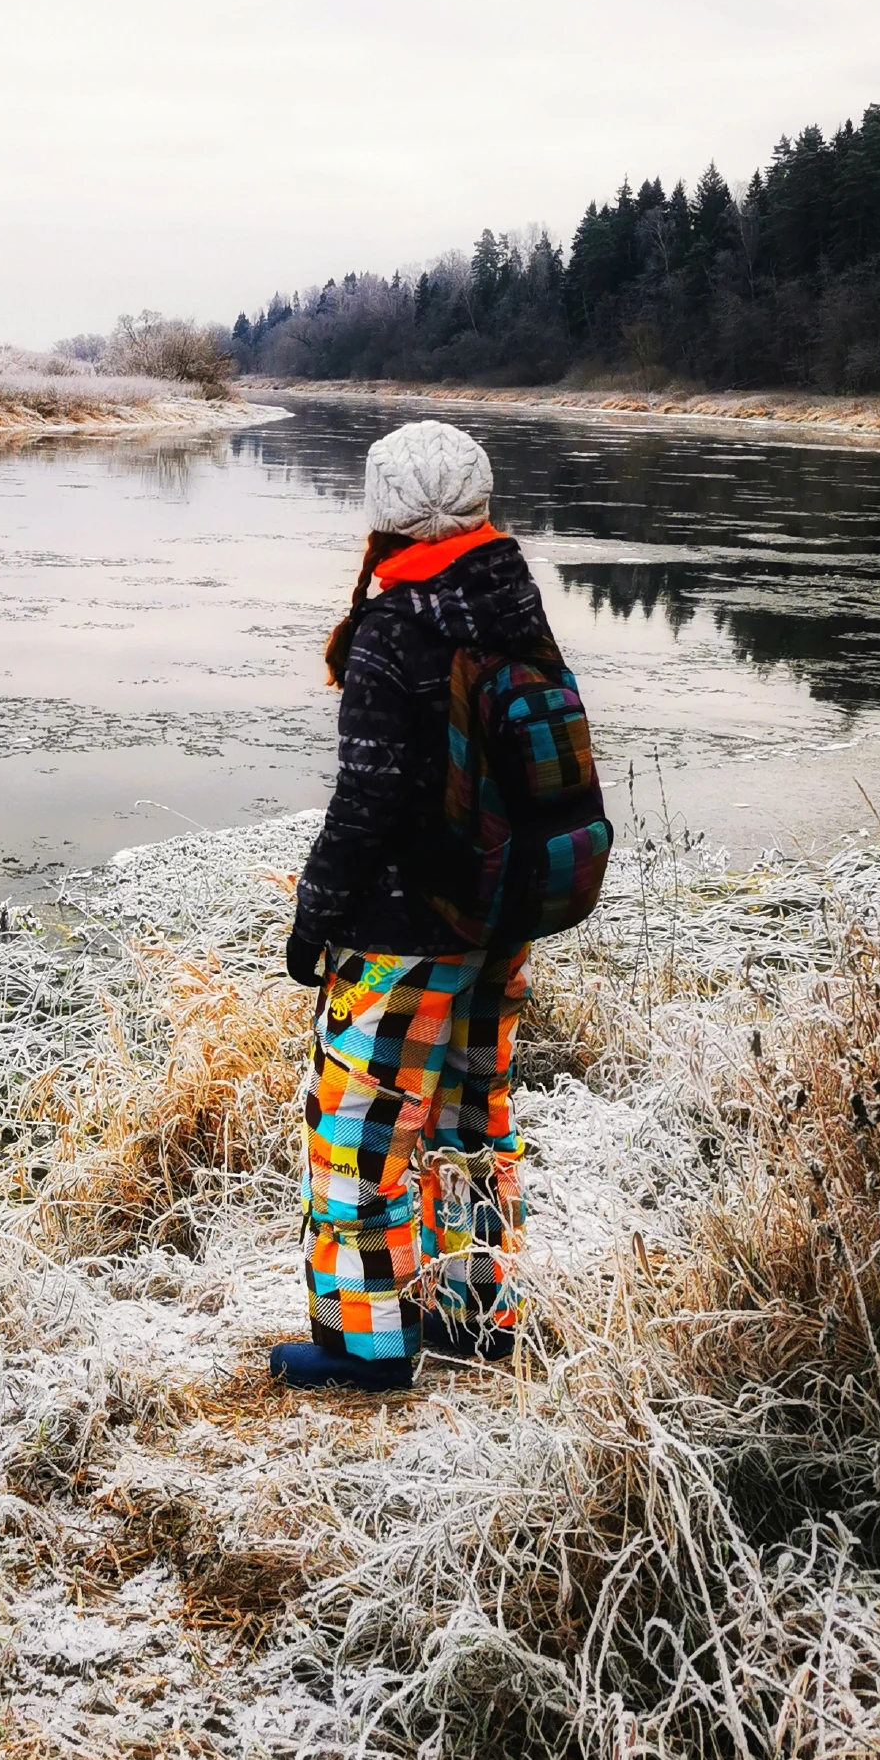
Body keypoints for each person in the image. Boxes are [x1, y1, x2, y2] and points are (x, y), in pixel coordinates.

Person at [273, 418, 548, 1393]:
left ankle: (366, 1346)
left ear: (384, 512)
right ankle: (474, 1320)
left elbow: (367, 801)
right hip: (498, 920)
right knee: (469, 1122)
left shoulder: (396, 626)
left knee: (357, 1137)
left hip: (403, 936)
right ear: (477, 502)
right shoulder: (510, 598)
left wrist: (314, 920)